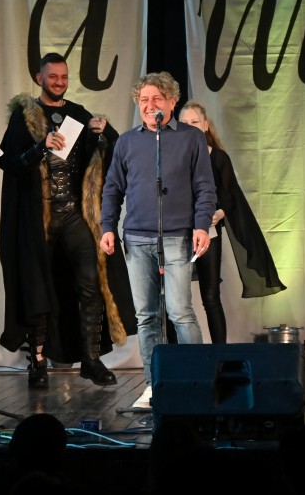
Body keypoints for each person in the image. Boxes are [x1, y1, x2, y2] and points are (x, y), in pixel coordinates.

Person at [0, 53, 136, 389]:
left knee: (91, 282)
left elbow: (110, 152)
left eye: (63, 77)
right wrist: (40, 147)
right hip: (39, 216)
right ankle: (38, 362)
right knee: (38, 289)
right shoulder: (25, 116)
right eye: (53, 76)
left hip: (74, 213)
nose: (59, 82)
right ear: (39, 78)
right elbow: (9, 162)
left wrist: (104, 131)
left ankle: (91, 359)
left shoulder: (77, 113)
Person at [99, 72, 217, 409]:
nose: (150, 105)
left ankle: (197, 382)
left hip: (177, 237)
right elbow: (112, 188)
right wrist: (107, 227)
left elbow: (205, 187)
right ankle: (155, 384)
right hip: (137, 240)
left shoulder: (191, 138)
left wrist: (201, 226)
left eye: (157, 99)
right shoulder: (126, 142)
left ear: (172, 102)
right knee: (146, 317)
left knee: (180, 312)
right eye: (144, 100)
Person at [171, 100, 285, 344]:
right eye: (184, 123)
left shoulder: (218, 157)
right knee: (173, 299)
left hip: (208, 233)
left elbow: (230, 197)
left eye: (195, 121)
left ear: (205, 125)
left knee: (210, 296)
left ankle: (219, 353)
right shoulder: (172, 156)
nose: (190, 126)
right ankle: (175, 353)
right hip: (176, 233)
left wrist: (218, 214)